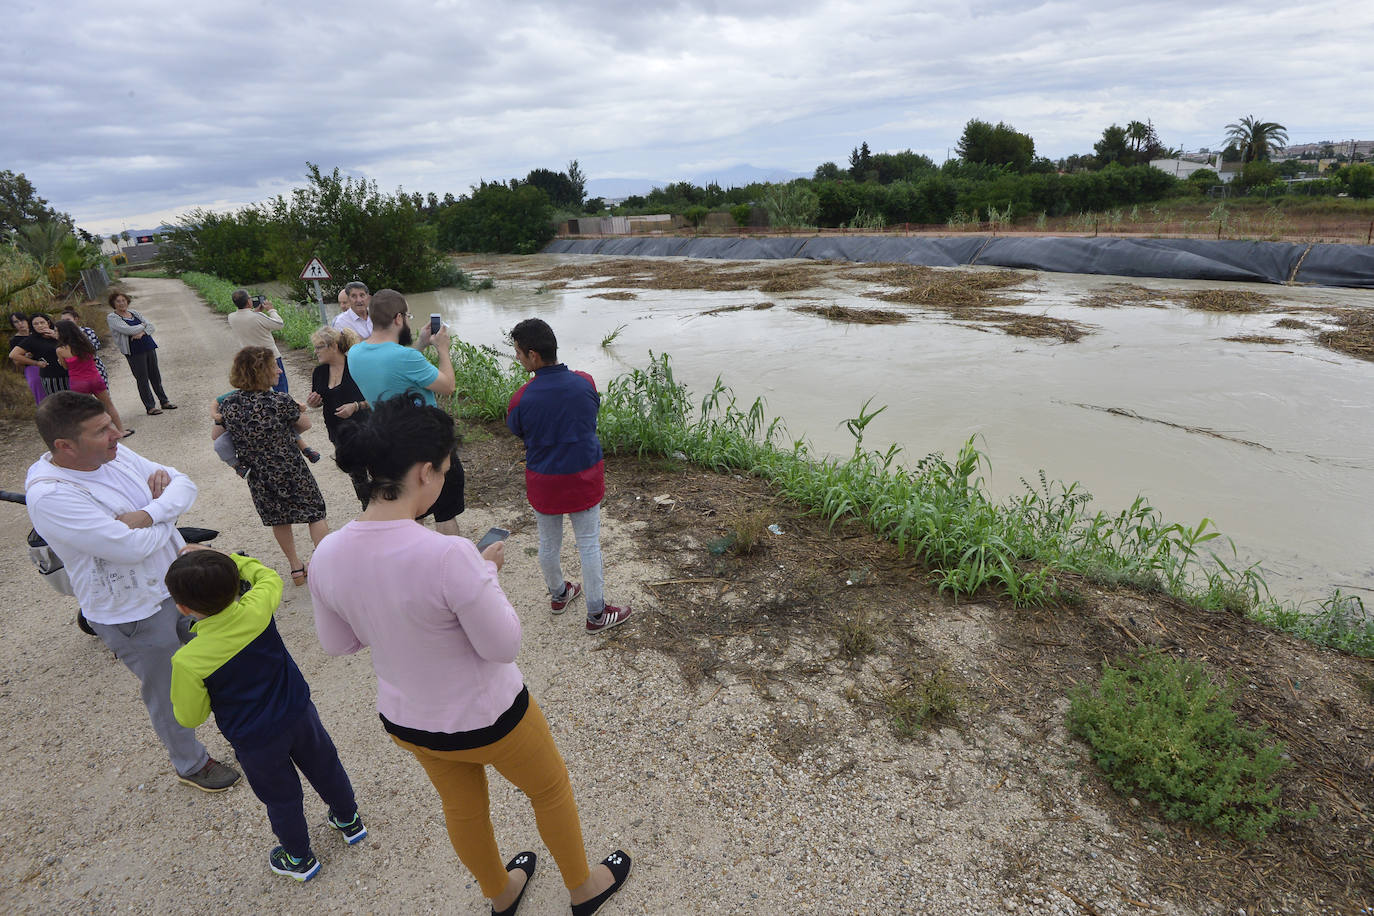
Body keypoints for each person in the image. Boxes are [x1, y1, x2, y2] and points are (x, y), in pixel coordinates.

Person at [310, 398, 632, 916]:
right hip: (491, 718)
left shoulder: (327, 552)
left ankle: (501, 893)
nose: (444, 477)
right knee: (549, 790)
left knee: (462, 807)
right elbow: (502, 645)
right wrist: (482, 576)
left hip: (409, 721)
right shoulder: (449, 556)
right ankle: (582, 887)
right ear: (423, 472)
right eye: (445, 468)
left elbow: (339, 643)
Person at [24, 391, 240, 792]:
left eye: (111, 423)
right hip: (134, 610)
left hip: (178, 584)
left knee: (218, 665)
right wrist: (166, 511)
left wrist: (149, 513)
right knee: (168, 689)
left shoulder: (111, 454)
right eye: (102, 430)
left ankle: (241, 732)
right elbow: (129, 548)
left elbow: (184, 482)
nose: (117, 433)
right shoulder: (53, 495)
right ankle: (190, 763)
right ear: (64, 446)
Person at [167, 546, 366, 882]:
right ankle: (348, 821)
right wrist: (231, 559)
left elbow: (190, 717)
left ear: (183, 607)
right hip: (299, 711)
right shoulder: (257, 608)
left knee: (281, 797)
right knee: (326, 766)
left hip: (255, 738)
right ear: (235, 586)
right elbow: (267, 575)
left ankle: (299, 858)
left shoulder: (188, 660)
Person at [507, 319, 633, 633]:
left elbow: (517, 431)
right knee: (588, 545)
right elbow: (590, 416)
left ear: (533, 356)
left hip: (545, 480)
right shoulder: (585, 382)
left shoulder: (522, 398)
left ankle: (560, 594)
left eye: (520, 354)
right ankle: (596, 613)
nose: (518, 359)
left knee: (549, 544)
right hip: (583, 477)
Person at [346, 289, 464, 535]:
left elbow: (393, 365)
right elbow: (448, 386)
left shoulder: (355, 353)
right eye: (407, 316)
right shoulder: (405, 357)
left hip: (389, 441)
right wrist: (442, 348)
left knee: (410, 511)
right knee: (445, 511)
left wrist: (419, 344)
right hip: (429, 441)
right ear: (398, 319)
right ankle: (451, 563)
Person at [216, 347, 328, 585]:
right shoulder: (279, 400)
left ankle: (296, 569)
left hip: (259, 474)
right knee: (315, 513)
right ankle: (324, 565)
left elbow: (217, 434)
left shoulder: (229, 404)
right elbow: (305, 425)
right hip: (290, 468)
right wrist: (295, 413)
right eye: (273, 366)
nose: (278, 370)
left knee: (279, 519)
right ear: (261, 371)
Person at [56, 319, 132, 438]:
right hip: (94, 378)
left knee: (85, 411)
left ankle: (95, 436)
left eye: (57, 331)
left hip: (78, 382)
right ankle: (121, 431)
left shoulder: (60, 350)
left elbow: (65, 366)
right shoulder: (86, 343)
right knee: (108, 405)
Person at [106, 289, 177, 415]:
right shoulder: (112, 317)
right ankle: (150, 407)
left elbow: (152, 327)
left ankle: (164, 401)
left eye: (123, 300)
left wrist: (142, 332)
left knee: (155, 376)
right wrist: (143, 326)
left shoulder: (134, 312)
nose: (122, 303)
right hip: (134, 351)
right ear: (113, 303)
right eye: (118, 301)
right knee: (142, 379)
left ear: (127, 301)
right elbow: (128, 330)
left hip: (148, 346)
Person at [306, 326, 368, 445]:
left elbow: (377, 399)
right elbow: (320, 400)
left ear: (334, 346)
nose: (315, 351)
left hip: (363, 433)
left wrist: (356, 406)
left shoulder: (356, 368)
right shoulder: (319, 372)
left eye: (319, 347)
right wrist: (313, 403)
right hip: (336, 435)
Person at [227, 289, 288, 394]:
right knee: (279, 384)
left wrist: (256, 312)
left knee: (256, 385)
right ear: (248, 301)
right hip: (269, 356)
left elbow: (247, 318)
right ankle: (284, 405)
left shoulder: (231, 317)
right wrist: (271, 310)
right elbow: (279, 324)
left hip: (250, 358)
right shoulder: (258, 317)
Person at [9, 313, 70, 397]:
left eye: (42, 322)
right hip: (52, 378)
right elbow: (13, 354)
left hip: (71, 373)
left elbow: (76, 346)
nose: (40, 325)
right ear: (32, 326)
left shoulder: (59, 333)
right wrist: (35, 363)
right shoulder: (31, 339)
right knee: (60, 404)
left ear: (48, 323)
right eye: (36, 324)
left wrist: (57, 336)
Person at [59, 305, 108, 384]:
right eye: (63, 320)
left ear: (76, 319)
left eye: (68, 320)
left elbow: (94, 349)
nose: (65, 323)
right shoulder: (60, 336)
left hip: (95, 368)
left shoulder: (87, 331)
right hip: (77, 374)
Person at [9, 312, 46, 404]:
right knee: (42, 398)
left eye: (22, 320)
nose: (20, 324)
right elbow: (16, 362)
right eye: (16, 322)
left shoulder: (38, 333)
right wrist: (25, 357)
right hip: (33, 369)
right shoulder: (15, 340)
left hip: (51, 366)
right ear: (13, 325)